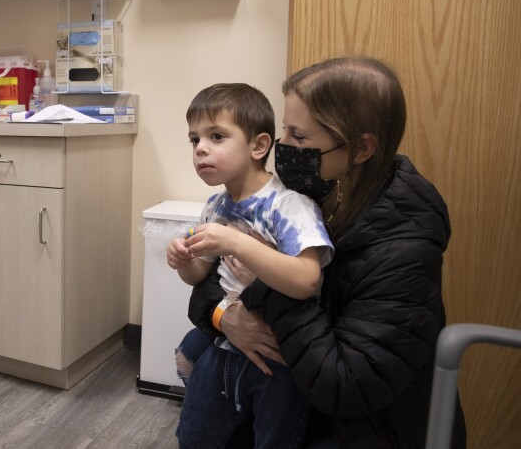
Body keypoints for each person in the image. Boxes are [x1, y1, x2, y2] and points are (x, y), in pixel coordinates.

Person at [187, 56, 467, 448]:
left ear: (362, 148)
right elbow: (217, 276)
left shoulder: (404, 245)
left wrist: (264, 286)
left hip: (362, 422)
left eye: (299, 137)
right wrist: (222, 316)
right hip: (294, 371)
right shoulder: (312, 187)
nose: (282, 145)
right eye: (286, 129)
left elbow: (346, 385)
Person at [167, 83, 334, 448]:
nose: (201, 149)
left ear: (258, 146)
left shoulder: (289, 207)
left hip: (279, 360)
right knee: (194, 436)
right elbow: (199, 275)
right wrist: (183, 260)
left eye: (216, 136)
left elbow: (307, 280)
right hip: (225, 344)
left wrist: (235, 242)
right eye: (194, 140)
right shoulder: (215, 205)